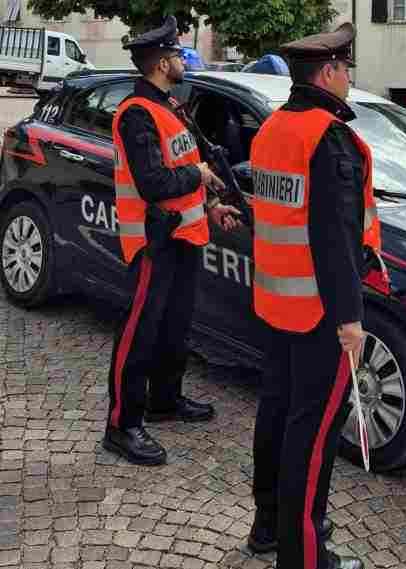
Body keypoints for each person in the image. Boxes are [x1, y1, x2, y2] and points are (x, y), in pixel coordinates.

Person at [248, 22, 381, 569]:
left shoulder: (272, 129)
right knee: (314, 433)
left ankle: (267, 528)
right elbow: (334, 239)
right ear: (328, 72)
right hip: (320, 314)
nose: (349, 78)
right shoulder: (327, 137)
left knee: (277, 416)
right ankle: (302, 555)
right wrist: (350, 318)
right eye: (346, 69)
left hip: (276, 303)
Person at [103, 15, 241, 466]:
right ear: (163, 62)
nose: (184, 60)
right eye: (178, 54)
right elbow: (154, 182)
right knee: (140, 332)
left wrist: (210, 205)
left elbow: (179, 180)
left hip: (183, 233)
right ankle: (122, 425)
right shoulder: (137, 114)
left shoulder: (169, 108)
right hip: (152, 241)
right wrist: (197, 174)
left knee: (175, 325)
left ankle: (165, 400)